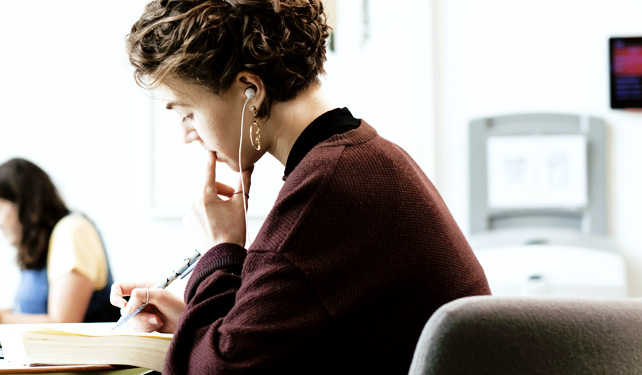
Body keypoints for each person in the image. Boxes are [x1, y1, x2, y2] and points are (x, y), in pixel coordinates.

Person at [110, 1, 491, 373]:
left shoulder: (326, 193)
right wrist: (196, 320)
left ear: (250, 91)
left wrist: (219, 248)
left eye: (188, 112)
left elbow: (214, 370)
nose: (186, 135)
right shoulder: (362, 159)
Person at [0, 158, 120, 328]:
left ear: (23, 204)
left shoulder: (72, 230)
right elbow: (29, 314)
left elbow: (63, 323)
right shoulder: (43, 245)